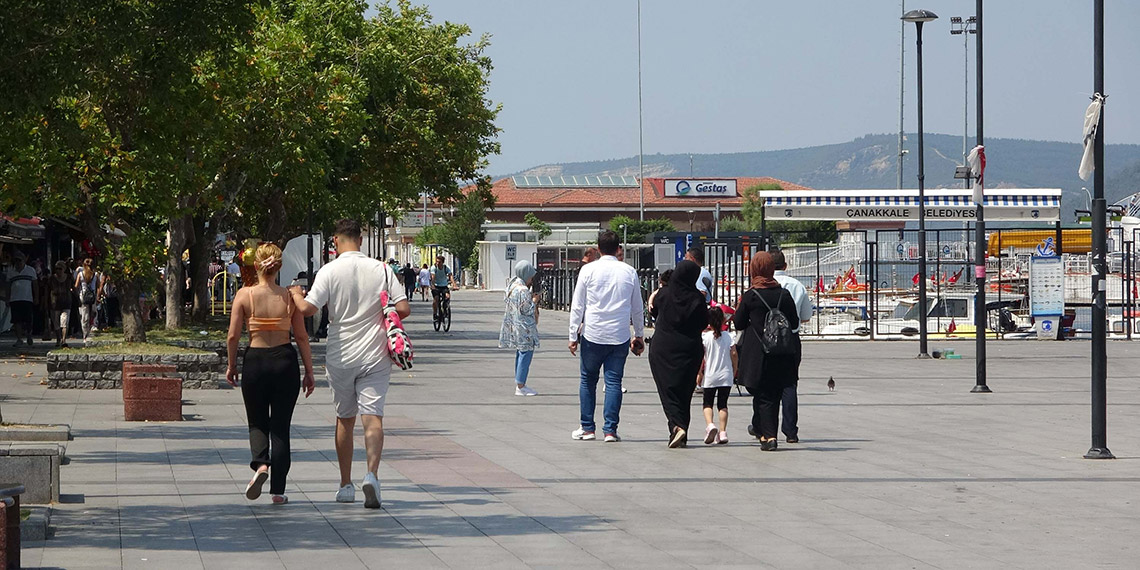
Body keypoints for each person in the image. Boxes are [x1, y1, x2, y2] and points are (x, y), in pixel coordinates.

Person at [290, 219, 410, 509]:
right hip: (376, 353)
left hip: (341, 354)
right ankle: (372, 475)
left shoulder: (329, 271)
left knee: (345, 419)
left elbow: (308, 309)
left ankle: (345, 484)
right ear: (360, 239)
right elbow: (403, 307)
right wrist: (383, 315)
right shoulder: (382, 269)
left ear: (335, 240)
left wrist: (295, 294)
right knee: (373, 416)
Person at [226, 243, 315, 505]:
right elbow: (301, 337)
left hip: (255, 360)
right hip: (285, 361)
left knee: (257, 421)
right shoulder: (289, 297)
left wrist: (232, 365)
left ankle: (261, 465)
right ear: (279, 267)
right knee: (280, 427)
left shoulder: (245, 295)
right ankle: (278, 491)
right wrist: (309, 371)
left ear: (256, 265)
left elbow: (233, 336)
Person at [567, 230, 645, 443]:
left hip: (593, 333)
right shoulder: (629, 272)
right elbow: (637, 307)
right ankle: (610, 430)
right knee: (614, 382)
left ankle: (587, 428)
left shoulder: (588, 270)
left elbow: (578, 305)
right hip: (619, 334)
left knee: (587, 379)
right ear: (618, 248)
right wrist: (639, 335)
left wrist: (573, 335)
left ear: (599, 248)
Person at [732, 251, 801, 451]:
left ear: (754, 269)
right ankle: (763, 431)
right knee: (774, 393)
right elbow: (794, 322)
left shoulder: (751, 295)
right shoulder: (784, 294)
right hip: (782, 352)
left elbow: (738, 323)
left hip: (758, 353)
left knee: (763, 394)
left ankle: (769, 436)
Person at [648, 260, 708, 448]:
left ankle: (677, 426)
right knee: (685, 392)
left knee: (667, 390)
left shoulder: (664, 294)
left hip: (663, 348)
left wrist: (653, 297)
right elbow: (703, 323)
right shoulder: (697, 299)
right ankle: (681, 433)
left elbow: (653, 312)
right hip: (690, 349)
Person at [771, 249, 813, 444]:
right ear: (785, 266)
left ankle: (763, 425)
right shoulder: (797, 285)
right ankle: (790, 430)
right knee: (789, 384)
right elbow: (805, 316)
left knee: (766, 385)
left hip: (767, 340)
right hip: (791, 339)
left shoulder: (762, 285)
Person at [500, 260, 540, 397]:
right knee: (526, 354)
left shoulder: (512, 286)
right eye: (530, 276)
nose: (531, 280)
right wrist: (534, 301)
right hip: (524, 328)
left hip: (515, 325)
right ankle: (521, 386)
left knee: (520, 353)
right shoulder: (523, 290)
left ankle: (519, 382)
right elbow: (526, 309)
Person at [698, 306, 736, 445]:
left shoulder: (705, 337)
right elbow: (734, 354)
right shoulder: (729, 336)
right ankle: (723, 432)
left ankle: (710, 425)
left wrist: (699, 372)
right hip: (726, 374)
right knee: (723, 404)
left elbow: (701, 357)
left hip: (710, 375)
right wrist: (735, 368)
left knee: (707, 403)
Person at [6, 251, 38, 347]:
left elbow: (35, 285)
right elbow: (8, 286)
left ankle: (29, 334)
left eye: (19, 260)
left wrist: (36, 297)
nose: (18, 263)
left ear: (24, 260)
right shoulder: (11, 271)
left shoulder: (30, 270)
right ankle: (19, 339)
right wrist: (7, 298)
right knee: (16, 320)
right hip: (15, 299)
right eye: (16, 261)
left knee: (28, 320)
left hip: (27, 298)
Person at [73, 257, 100, 341]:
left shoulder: (80, 274)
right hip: (93, 296)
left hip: (83, 296)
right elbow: (98, 286)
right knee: (93, 313)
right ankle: (92, 328)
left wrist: (76, 293)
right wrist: (98, 296)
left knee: (84, 316)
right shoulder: (96, 275)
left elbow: (76, 286)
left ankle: (85, 334)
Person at [49, 261, 73, 347]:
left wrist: (77, 298)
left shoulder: (69, 278)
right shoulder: (52, 278)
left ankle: (64, 340)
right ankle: (58, 338)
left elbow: (73, 288)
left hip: (66, 302)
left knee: (64, 321)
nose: (58, 270)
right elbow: (48, 290)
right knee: (56, 323)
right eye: (57, 269)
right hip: (55, 303)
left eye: (60, 268)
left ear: (64, 269)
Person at [430, 255, 455, 320]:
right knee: (436, 299)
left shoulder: (446, 268)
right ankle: (435, 313)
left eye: (439, 262)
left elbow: (450, 276)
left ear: (443, 262)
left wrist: (454, 285)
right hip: (436, 286)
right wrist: (432, 285)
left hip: (444, 286)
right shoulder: (434, 267)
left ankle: (445, 308)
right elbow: (433, 277)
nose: (437, 263)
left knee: (447, 297)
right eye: (437, 261)